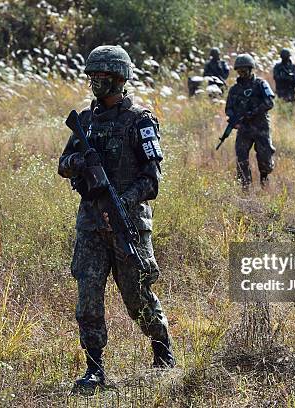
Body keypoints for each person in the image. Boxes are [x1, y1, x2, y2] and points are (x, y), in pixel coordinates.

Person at [58, 45, 175, 390]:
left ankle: (162, 348)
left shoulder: (140, 121)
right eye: (92, 75)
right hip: (91, 224)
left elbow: (152, 180)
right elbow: (63, 164)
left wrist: (121, 203)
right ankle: (94, 367)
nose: (96, 81)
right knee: (88, 296)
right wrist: (81, 163)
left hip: (128, 224)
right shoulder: (85, 121)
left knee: (137, 295)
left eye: (103, 76)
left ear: (120, 78)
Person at [225, 53, 276, 190]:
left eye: (244, 70)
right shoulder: (234, 90)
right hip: (244, 129)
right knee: (241, 157)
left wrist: (253, 113)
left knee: (265, 157)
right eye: (239, 71)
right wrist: (233, 120)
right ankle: (245, 187)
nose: (242, 73)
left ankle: (264, 181)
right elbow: (228, 109)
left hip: (261, 127)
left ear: (250, 69)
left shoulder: (260, 84)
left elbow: (270, 103)